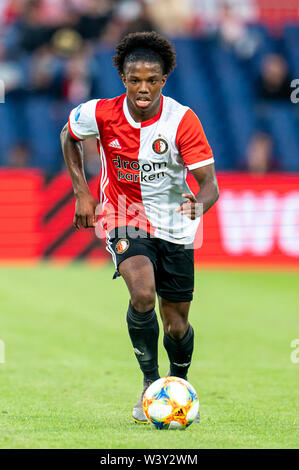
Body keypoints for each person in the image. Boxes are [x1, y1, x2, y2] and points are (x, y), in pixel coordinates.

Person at [60, 31, 219, 424]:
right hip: (123, 215)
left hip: (177, 225)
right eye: (135, 80)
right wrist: (82, 191)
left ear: (164, 80)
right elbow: (69, 134)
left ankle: (177, 385)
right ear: (123, 79)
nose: (143, 88)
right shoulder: (99, 112)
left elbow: (211, 184)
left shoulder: (182, 120)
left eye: (152, 80)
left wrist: (199, 204)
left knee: (177, 323)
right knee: (142, 295)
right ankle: (150, 386)